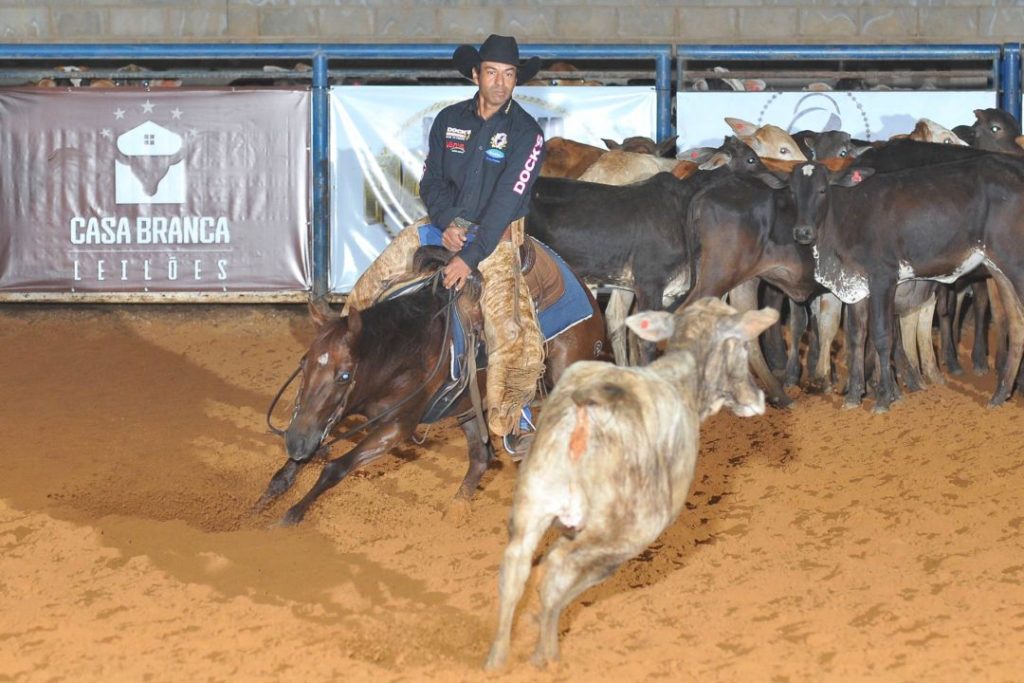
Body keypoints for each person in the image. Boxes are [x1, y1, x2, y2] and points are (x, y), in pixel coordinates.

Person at [343, 34, 547, 455]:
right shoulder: (449, 120)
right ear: (476, 75)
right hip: (443, 226)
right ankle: (341, 368)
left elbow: (507, 201)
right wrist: (444, 223)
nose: (500, 82)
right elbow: (431, 180)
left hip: (496, 239)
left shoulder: (527, 133)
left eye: (509, 75)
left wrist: (469, 257)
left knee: (508, 329)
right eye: (492, 72)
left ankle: (512, 424)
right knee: (371, 284)